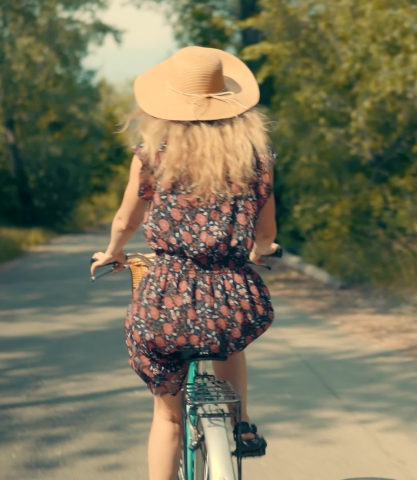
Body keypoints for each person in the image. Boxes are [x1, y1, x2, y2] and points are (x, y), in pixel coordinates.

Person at [90, 46, 279, 480]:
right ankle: (242, 420)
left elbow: (125, 220)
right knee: (229, 339)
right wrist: (260, 249)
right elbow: (265, 233)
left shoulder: (154, 155)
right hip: (233, 297)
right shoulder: (255, 157)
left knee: (168, 419)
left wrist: (113, 251)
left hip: (166, 300)